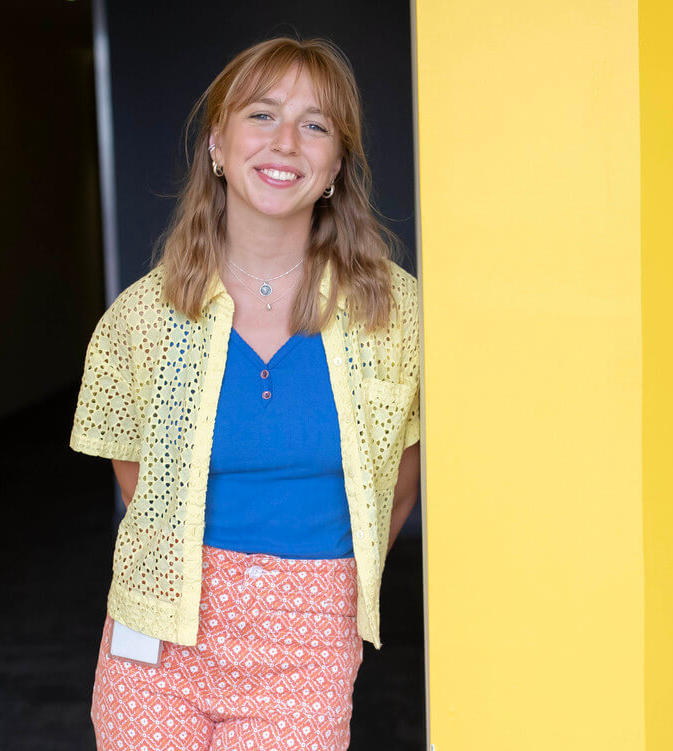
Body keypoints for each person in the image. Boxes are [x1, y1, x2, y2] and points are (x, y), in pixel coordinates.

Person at [70, 35, 421, 751]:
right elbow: (139, 477)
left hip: (309, 632)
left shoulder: (396, 311)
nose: (285, 140)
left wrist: (320, 592)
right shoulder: (140, 319)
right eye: (261, 115)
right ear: (217, 147)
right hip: (159, 635)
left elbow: (401, 478)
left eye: (315, 124)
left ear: (334, 168)